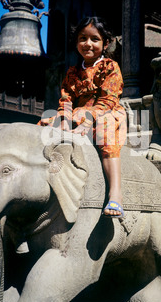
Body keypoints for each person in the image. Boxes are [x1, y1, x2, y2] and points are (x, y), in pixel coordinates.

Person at [38, 17, 127, 217]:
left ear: (105, 44)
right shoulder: (72, 72)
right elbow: (66, 102)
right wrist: (64, 121)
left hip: (105, 112)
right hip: (77, 114)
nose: (88, 44)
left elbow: (107, 100)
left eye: (94, 39)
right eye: (82, 38)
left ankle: (115, 194)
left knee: (106, 131)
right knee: (46, 123)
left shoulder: (110, 67)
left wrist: (87, 122)